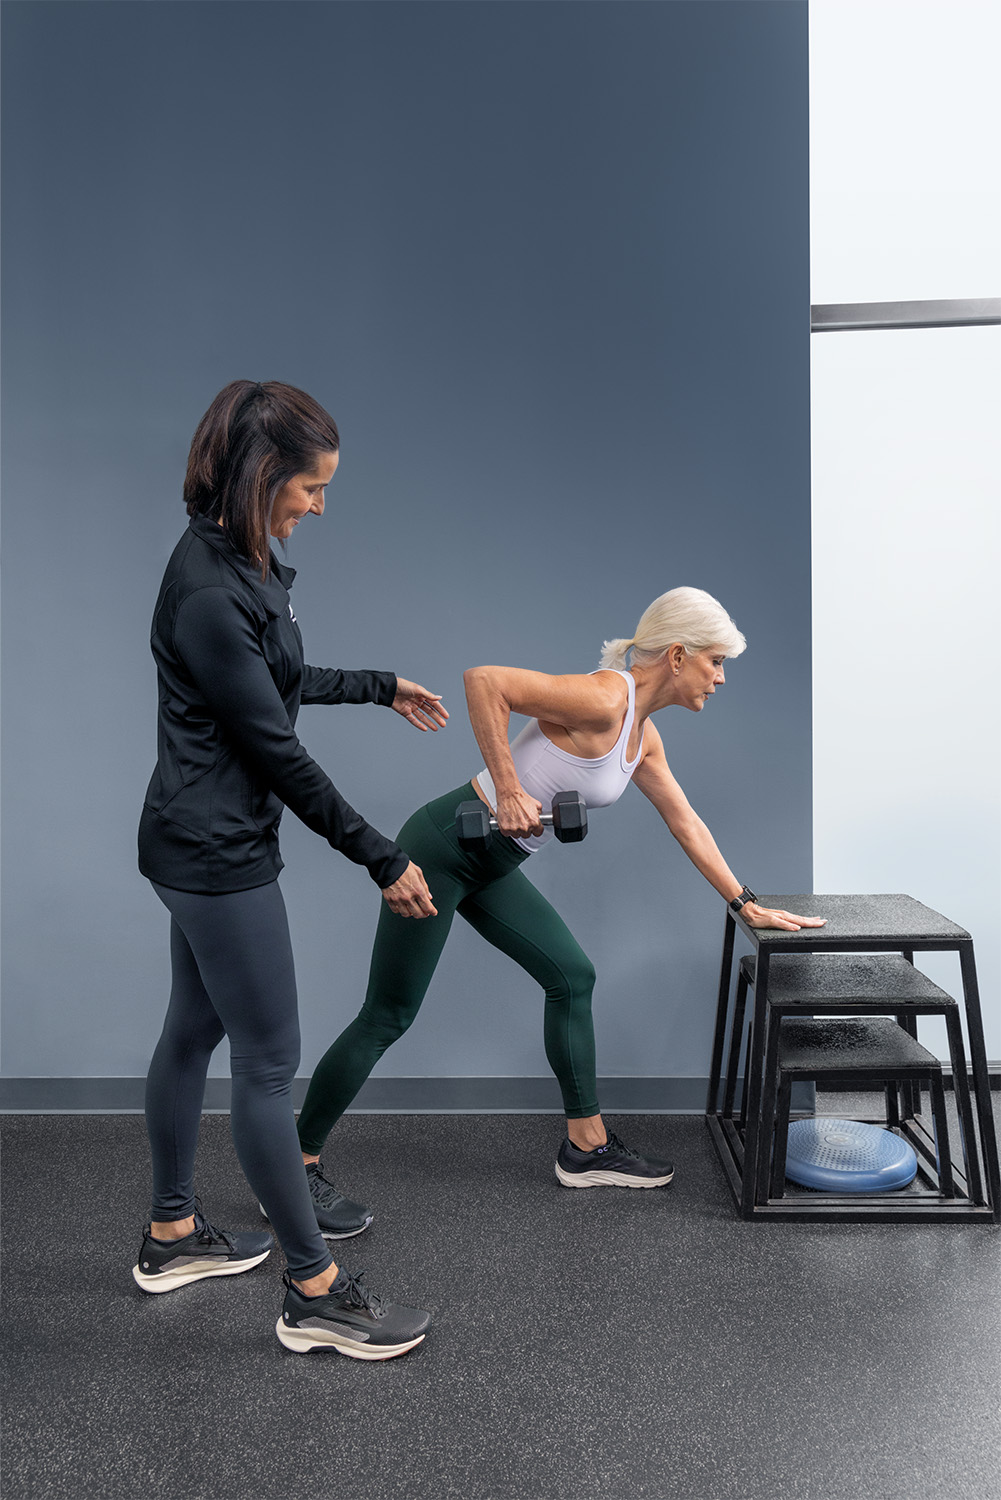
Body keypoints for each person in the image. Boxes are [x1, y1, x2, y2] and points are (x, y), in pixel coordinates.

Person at [294, 586, 824, 1197]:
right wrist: (509, 786)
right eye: (716, 662)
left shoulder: (642, 737)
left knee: (572, 976)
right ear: (678, 655)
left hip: (490, 864)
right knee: (388, 1015)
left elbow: (687, 822)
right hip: (442, 847)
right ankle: (296, 1165)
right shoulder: (604, 698)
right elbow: (485, 681)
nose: (721, 679)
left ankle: (586, 1147)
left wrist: (744, 901)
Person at [134, 379, 445, 1360]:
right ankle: (313, 1293)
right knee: (267, 1065)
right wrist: (380, 855)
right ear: (265, 476)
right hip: (217, 856)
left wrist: (377, 685)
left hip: (192, 843)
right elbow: (274, 745)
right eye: (311, 486)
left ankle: (172, 1235)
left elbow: (273, 682)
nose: (320, 504)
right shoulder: (209, 587)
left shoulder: (236, 558)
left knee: (192, 1029)